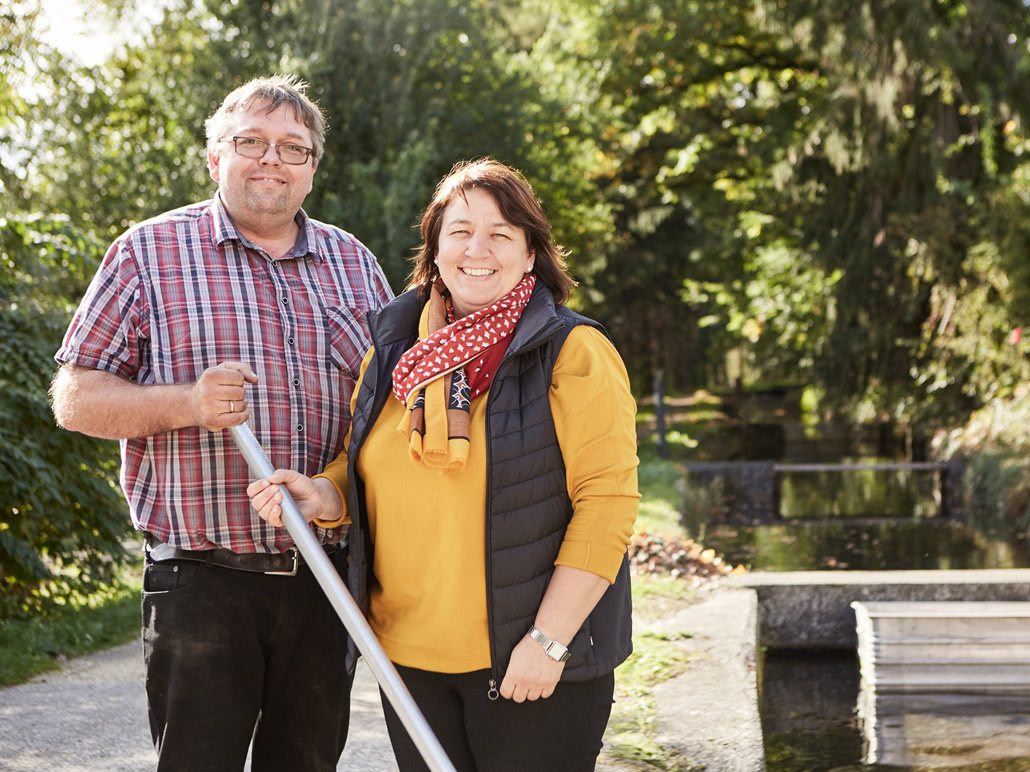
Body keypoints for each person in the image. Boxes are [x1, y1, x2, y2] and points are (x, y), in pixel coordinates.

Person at [248, 158, 638, 771]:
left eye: (501, 234)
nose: (476, 248)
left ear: (532, 254)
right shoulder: (397, 350)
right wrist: (325, 494)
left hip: (525, 663)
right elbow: (364, 460)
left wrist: (549, 641)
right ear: (434, 249)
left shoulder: (573, 352)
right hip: (409, 665)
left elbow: (607, 504)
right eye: (458, 231)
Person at [50, 75, 393, 771]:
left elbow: (388, 414)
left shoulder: (354, 265)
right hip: (201, 586)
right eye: (251, 142)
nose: (272, 159)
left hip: (324, 580)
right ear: (215, 158)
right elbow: (75, 398)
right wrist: (187, 404)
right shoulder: (147, 253)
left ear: (312, 168)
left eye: (293, 148)